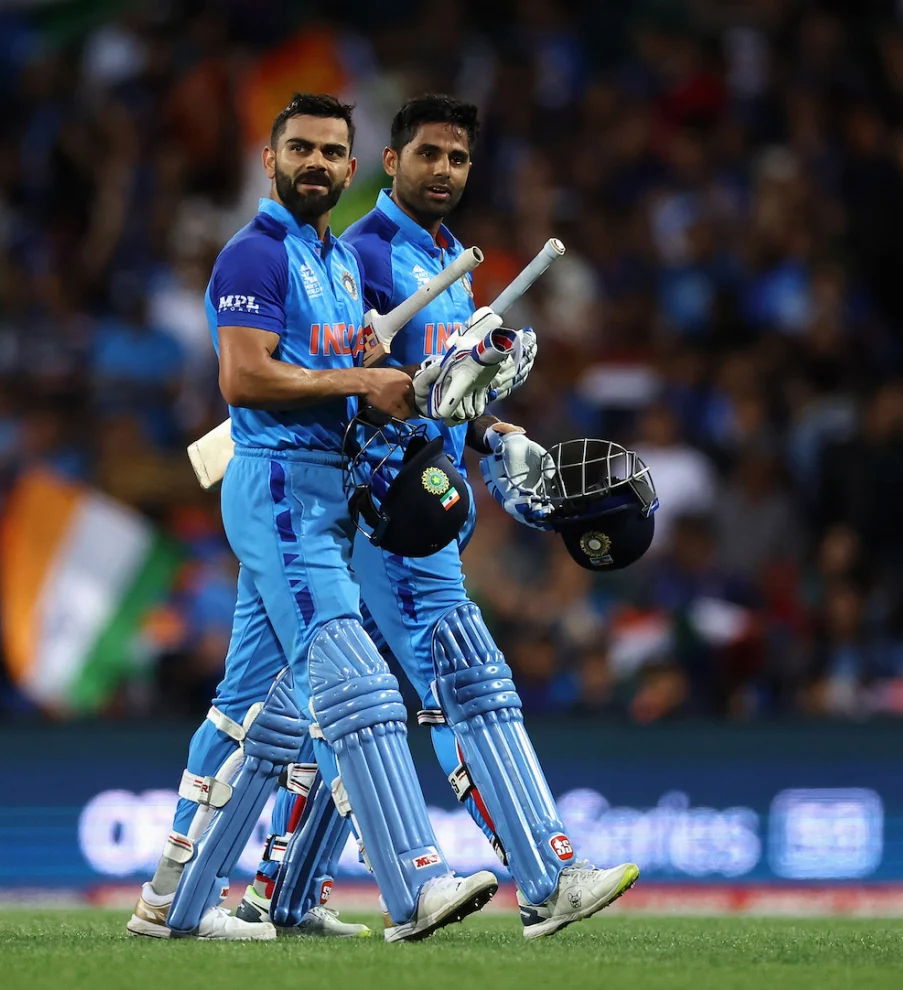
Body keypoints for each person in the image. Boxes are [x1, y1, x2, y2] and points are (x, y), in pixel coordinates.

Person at [234, 95, 639, 940]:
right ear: (390, 161)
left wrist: (489, 428)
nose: (443, 171)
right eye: (428, 155)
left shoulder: (446, 258)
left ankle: (282, 892)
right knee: (470, 681)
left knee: (350, 707)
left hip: (427, 499)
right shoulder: (366, 255)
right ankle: (550, 876)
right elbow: (356, 379)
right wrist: (424, 403)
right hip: (391, 510)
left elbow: (441, 390)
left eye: (457, 159)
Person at [126, 93, 498, 942]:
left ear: (353, 165)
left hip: (324, 490)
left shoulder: (330, 257)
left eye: (334, 152)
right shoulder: (252, 257)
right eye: (302, 149)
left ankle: (169, 902)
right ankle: (417, 883)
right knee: (357, 683)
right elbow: (244, 380)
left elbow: (334, 377)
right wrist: (360, 381)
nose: (318, 164)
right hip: (281, 490)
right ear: (270, 158)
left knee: (241, 705)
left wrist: (396, 379)